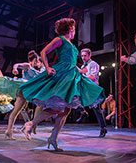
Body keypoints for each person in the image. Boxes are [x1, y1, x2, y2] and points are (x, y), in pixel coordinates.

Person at [18, 18, 105, 151]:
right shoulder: (60, 40)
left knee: (66, 109)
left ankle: (53, 138)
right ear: (70, 29)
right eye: (74, 28)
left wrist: (79, 71)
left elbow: (72, 62)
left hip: (72, 74)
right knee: (59, 108)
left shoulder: (72, 45)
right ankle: (30, 124)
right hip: (62, 74)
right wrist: (47, 68)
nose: (75, 31)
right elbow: (43, 52)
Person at [0, 50, 45, 140]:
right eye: (35, 61)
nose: (36, 63)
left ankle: (31, 125)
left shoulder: (36, 69)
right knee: (16, 111)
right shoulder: (28, 66)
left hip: (31, 90)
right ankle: (9, 131)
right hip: (25, 89)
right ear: (33, 60)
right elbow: (17, 65)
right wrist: (15, 69)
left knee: (40, 105)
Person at [77, 48, 107, 137]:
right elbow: (82, 74)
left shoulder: (93, 64)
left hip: (93, 89)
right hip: (86, 88)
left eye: (85, 55)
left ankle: (103, 128)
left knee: (97, 109)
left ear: (89, 55)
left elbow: (93, 77)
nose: (83, 57)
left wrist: (82, 76)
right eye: (82, 56)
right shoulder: (83, 66)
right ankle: (83, 112)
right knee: (74, 98)